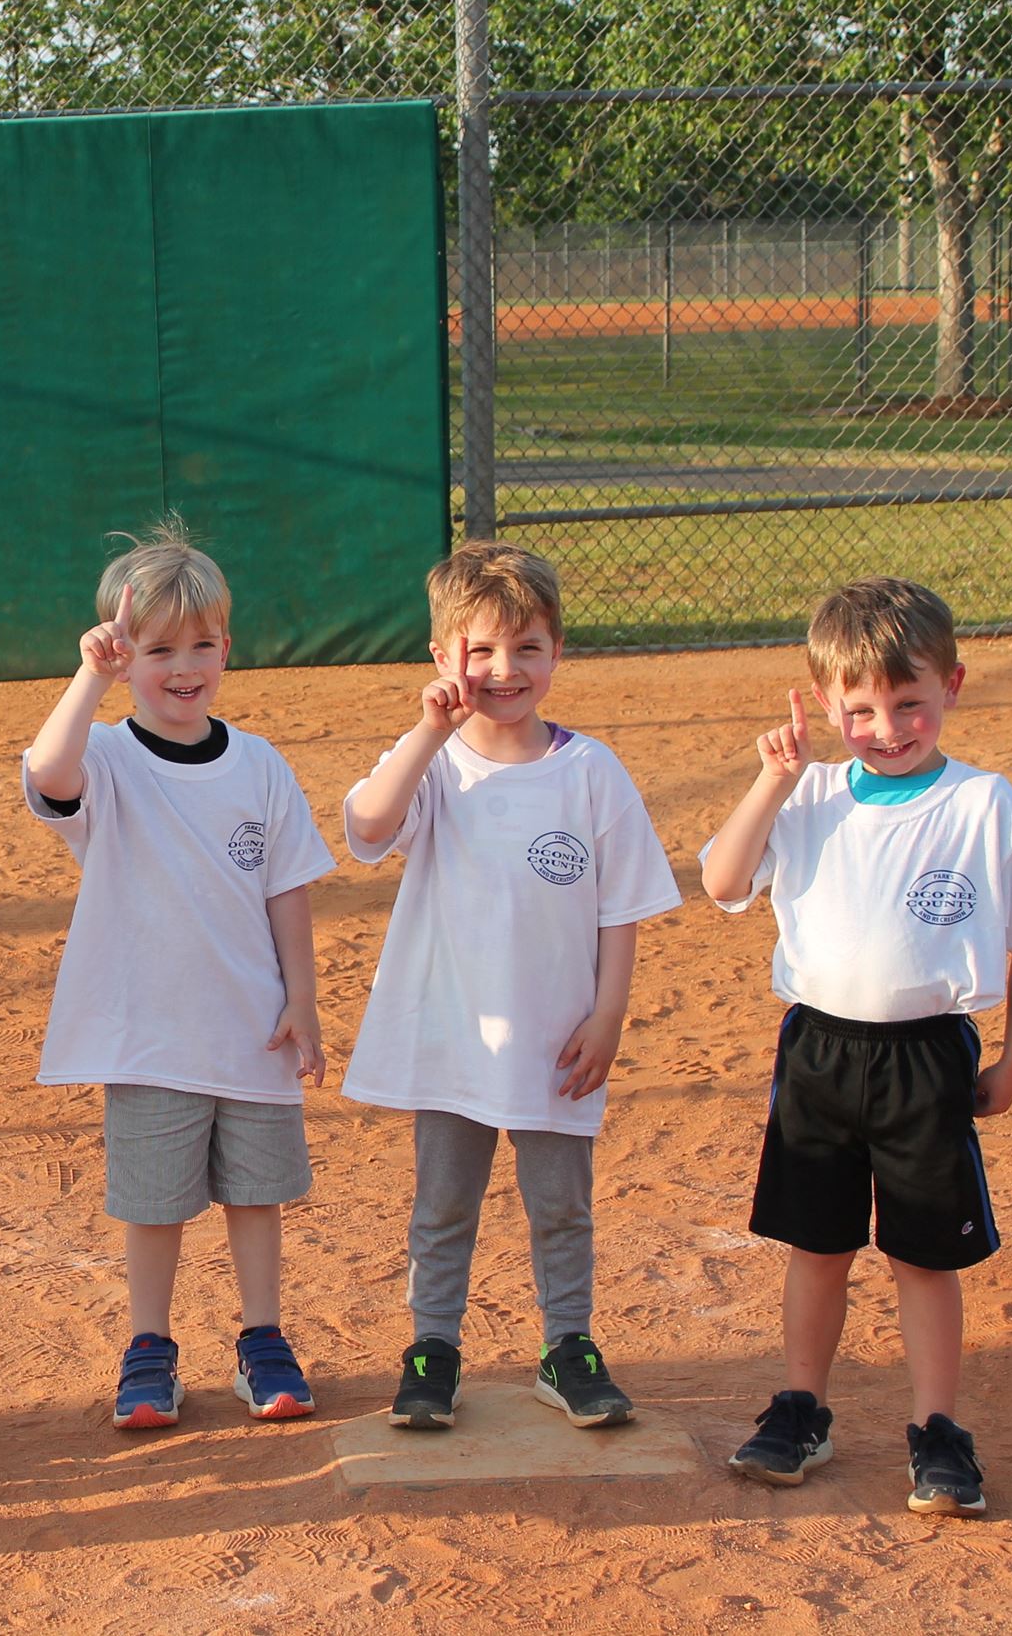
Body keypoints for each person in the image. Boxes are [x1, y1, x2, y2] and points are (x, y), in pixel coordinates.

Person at [700, 577, 1012, 1517]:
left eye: (910, 702)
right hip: (818, 1054)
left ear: (952, 684)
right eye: (859, 707)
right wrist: (774, 779)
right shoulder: (810, 793)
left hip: (927, 1060)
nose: (887, 726)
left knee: (922, 1256)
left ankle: (937, 1429)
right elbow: (722, 880)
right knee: (816, 1246)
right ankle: (802, 1408)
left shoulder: (987, 805)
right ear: (825, 703)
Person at [341, 542, 682, 1432]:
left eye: (527, 647)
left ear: (557, 653)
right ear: (444, 658)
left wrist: (610, 1013)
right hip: (453, 1032)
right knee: (443, 1203)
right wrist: (428, 731)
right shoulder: (436, 764)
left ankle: (568, 1346)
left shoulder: (590, 771)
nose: (504, 670)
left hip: (556, 1036)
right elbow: (368, 831)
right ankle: (432, 1349)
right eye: (481, 649)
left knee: (561, 1204)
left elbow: (623, 906)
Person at [20, 523, 334, 1428]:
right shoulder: (109, 759)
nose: (184, 666)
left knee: (256, 1195)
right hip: (150, 1034)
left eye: (202, 645)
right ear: (126, 658)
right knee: (154, 1206)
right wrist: (93, 677)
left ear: (227, 648)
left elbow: (287, 888)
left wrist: (302, 998)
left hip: (252, 1028)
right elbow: (49, 771)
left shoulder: (260, 764)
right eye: (158, 650)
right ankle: (149, 1347)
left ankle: (263, 1339)